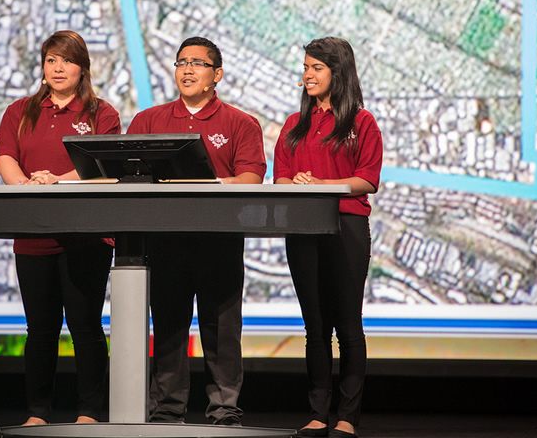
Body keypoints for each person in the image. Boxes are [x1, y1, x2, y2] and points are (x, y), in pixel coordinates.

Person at [126, 36, 266, 426]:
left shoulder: (240, 122)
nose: (187, 70)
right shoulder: (148, 121)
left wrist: (212, 187)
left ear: (216, 75)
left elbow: (251, 177)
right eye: (181, 62)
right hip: (165, 240)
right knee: (169, 326)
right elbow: (129, 177)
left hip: (218, 240)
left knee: (221, 329)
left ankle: (224, 410)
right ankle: (167, 411)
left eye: (198, 63)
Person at [0, 30, 121, 426]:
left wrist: (57, 181)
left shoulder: (102, 113)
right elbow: (5, 157)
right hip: (33, 234)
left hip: (87, 237)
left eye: (66, 60)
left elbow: (103, 169)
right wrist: (26, 185)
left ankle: (89, 412)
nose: (58, 67)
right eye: (51, 60)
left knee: (85, 327)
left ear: (82, 67)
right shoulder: (19, 111)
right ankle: (37, 412)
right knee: (41, 329)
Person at [273, 37, 383, 438]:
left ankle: (347, 418)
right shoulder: (293, 125)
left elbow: (367, 179)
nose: (307, 75)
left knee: (347, 324)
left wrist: (323, 184)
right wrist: (298, 184)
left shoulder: (361, 122)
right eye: (305, 67)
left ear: (339, 73)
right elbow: (281, 176)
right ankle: (318, 413)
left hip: (346, 227)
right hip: (303, 229)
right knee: (314, 325)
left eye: (316, 68)